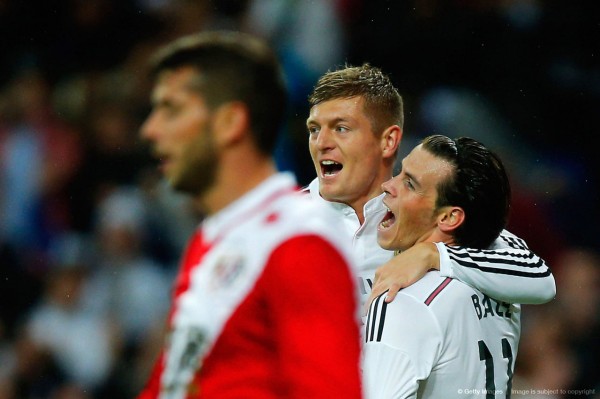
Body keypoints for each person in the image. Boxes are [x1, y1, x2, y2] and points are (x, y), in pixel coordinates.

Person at [137, 31, 362, 398]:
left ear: (230, 122)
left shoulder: (299, 242)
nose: (151, 130)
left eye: (171, 109)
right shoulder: (211, 240)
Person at [304, 63, 555, 309]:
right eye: (314, 129)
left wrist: (433, 255)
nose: (321, 142)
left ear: (388, 140)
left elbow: (540, 279)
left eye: (341, 128)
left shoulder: (420, 215)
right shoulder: (282, 221)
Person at [363, 135, 520, 397]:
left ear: (449, 217)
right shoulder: (505, 283)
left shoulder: (401, 303)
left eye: (410, 184)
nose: (387, 185)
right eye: (400, 172)